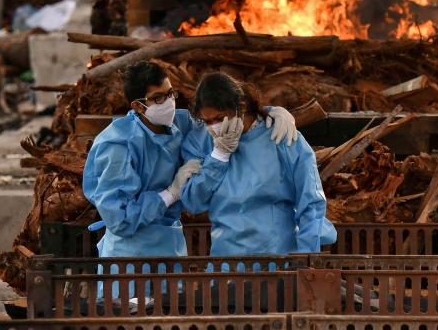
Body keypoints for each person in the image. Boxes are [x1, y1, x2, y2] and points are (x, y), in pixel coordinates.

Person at [83, 61, 298, 260]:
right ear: (138, 106)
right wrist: (169, 194)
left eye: (170, 94)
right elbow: (119, 219)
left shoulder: (180, 122)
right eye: (158, 98)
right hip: (128, 256)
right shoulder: (118, 146)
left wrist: (268, 112)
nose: (168, 103)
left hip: (171, 244)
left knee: (172, 302)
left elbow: (221, 115)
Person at [180, 72, 337, 256]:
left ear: (241, 107)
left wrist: (307, 257)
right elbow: (193, 202)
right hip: (227, 265)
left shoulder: (280, 135)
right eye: (207, 121)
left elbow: (311, 202)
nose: (214, 127)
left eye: (219, 118)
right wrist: (218, 157)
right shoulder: (200, 141)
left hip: (279, 261)